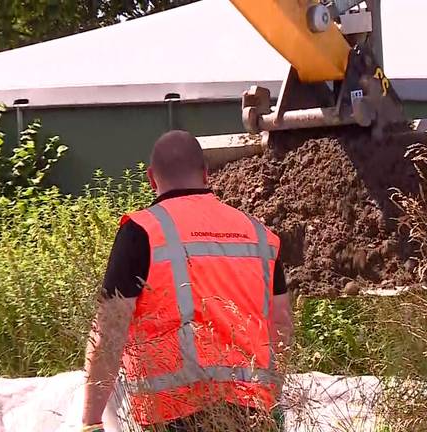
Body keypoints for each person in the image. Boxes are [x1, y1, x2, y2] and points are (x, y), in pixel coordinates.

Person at [81, 130, 294, 432]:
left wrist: (91, 420)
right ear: (207, 174)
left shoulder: (142, 232)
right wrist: (272, 397)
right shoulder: (259, 235)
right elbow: (281, 322)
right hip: (253, 411)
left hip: (174, 414)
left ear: (151, 179)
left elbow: (110, 328)